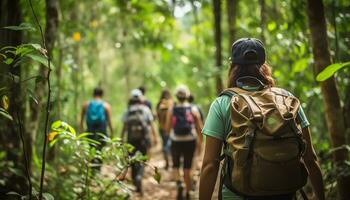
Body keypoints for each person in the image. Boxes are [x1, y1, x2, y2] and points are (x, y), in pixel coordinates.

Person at [199, 38, 325, 200]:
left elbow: (210, 165)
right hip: (285, 194)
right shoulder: (287, 100)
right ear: (264, 66)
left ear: (233, 67)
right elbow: (310, 157)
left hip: (238, 194)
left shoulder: (222, 103)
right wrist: (320, 195)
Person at [165, 85, 203, 200]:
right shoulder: (193, 108)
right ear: (187, 96)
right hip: (190, 140)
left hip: (175, 140)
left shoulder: (172, 109)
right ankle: (188, 192)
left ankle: (179, 186)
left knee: (176, 165)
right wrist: (200, 142)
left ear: (176, 96)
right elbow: (200, 128)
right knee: (187, 167)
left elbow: (167, 128)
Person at [121, 89, 158, 195]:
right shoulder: (145, 109)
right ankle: (139, 177)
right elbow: (151, 124)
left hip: (131, 140)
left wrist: (121, 138)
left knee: (131, 160)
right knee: (143, 159)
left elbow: (124, 126)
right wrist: (155, 137)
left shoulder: (127, 110)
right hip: (143, 139)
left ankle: (135, 182)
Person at [156, 89, 173, 170]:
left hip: (162, 127)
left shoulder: (159, 104)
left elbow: (157, 116)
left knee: (165, 144)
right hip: (171, 128)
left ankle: (167, 163)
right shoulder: (171, 103)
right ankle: (173, 162)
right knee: (172, 145)